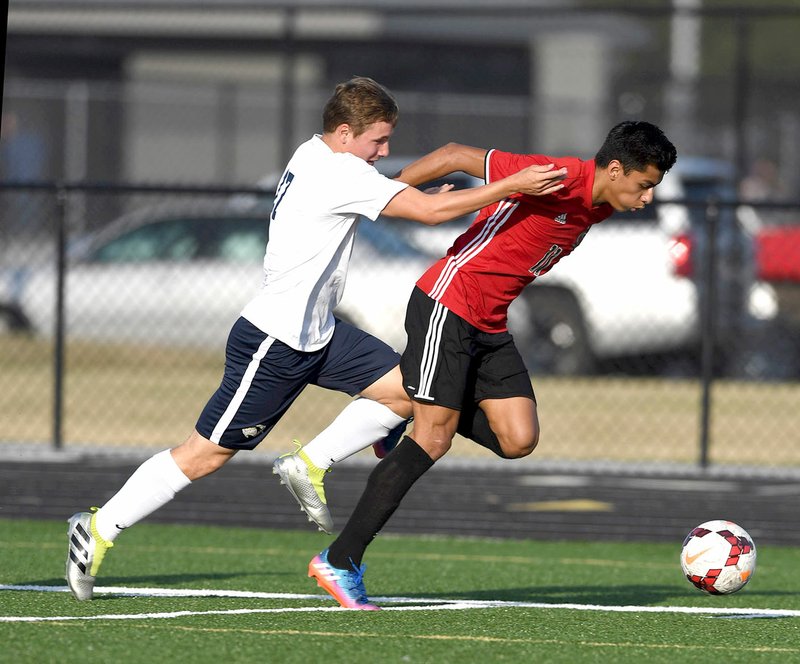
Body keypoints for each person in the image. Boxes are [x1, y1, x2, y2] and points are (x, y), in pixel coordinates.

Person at [64, 76, 567, 601]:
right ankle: (99, 526)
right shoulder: (338, 172)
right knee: (204, 455)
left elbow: (382, 197)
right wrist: (512, 185)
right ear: (345, 133)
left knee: (407, 389)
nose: (385, 150)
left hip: (321, 334)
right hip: (274, 342)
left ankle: (309, 463)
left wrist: (416, 192)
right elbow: (428, 212)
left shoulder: (317, 154)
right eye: (378, 140)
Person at [302, 120, 677, 610]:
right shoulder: (559, 177)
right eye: (645, 185)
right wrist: (384, 196)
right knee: (434, 437)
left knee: (517, 439)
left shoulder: (602, 204)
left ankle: (419, 402)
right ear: (613, 168)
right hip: (449, 304)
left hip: (489, 323)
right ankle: (341, 559)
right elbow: (457, 153)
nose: (648, 198)